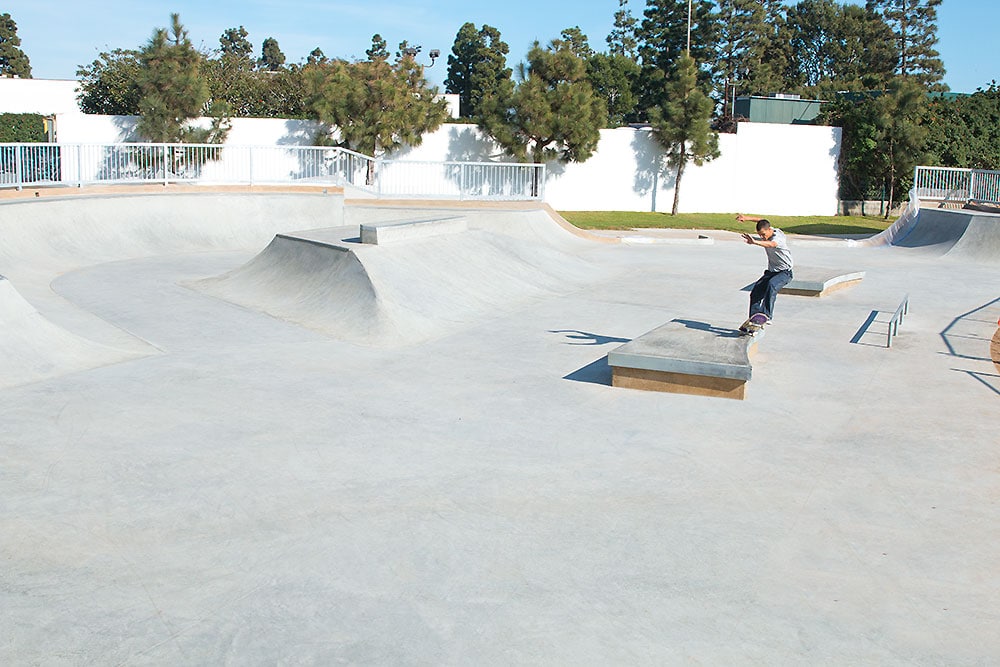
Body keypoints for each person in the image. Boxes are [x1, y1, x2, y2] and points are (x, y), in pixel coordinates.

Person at [736, 214, 793, 325]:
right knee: (755, 292)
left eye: (763, 235)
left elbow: (771, 244)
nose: (762, 237)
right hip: (771, 272)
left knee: (772, 285)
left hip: (785, 273)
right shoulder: (769, 227)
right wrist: (746, 218)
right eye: (759, 235)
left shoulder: (778, 237)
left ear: (769, 230)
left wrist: (754, 242)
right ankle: (754, 319)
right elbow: (762, 220)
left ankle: (766, 315)